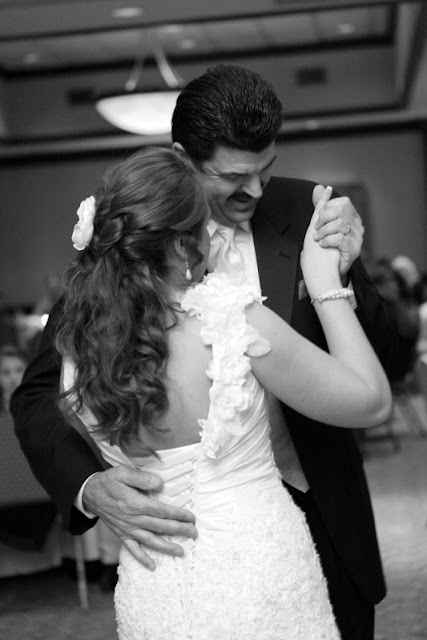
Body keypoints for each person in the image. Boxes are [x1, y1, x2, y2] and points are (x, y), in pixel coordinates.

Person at [11, 65, 400, 639]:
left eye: (267, 169)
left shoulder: (311, 212)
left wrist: (343, 274)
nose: (257, 191)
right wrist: (88, 486)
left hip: (318, 510)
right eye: (234, 176)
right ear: (183, 156)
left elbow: (381, 359)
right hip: (173, 537)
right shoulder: (115, 248)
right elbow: (40, 394)